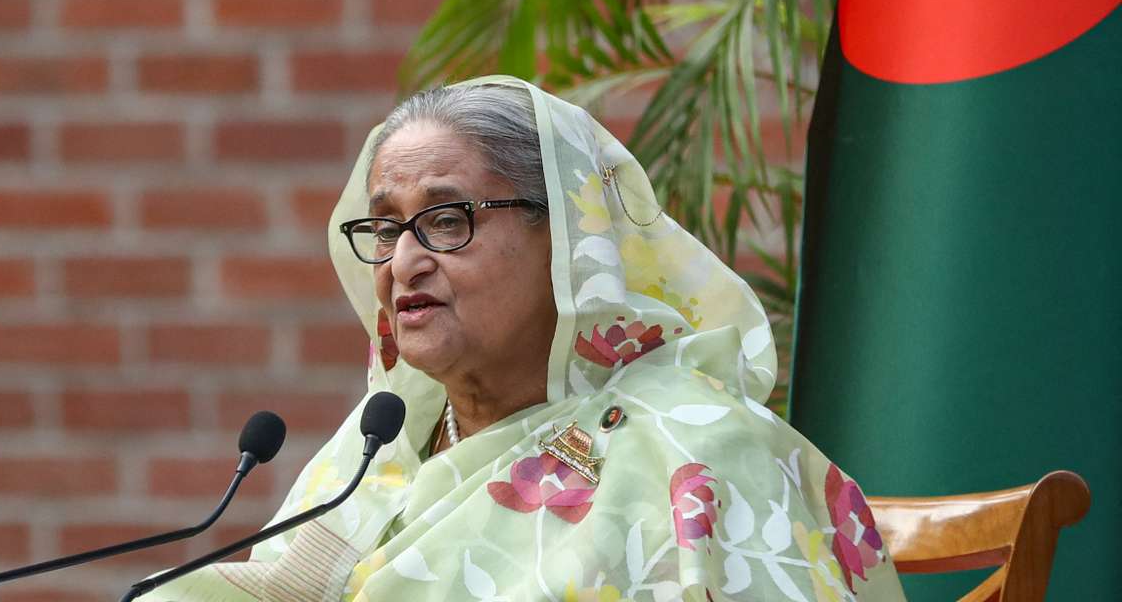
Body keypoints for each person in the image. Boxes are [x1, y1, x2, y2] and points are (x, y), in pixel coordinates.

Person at [141, 77, 907, 601]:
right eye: (385, 227)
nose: (405, 261)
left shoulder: (697, 451)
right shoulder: (376, 449)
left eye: (447, 220)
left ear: (569, 242)